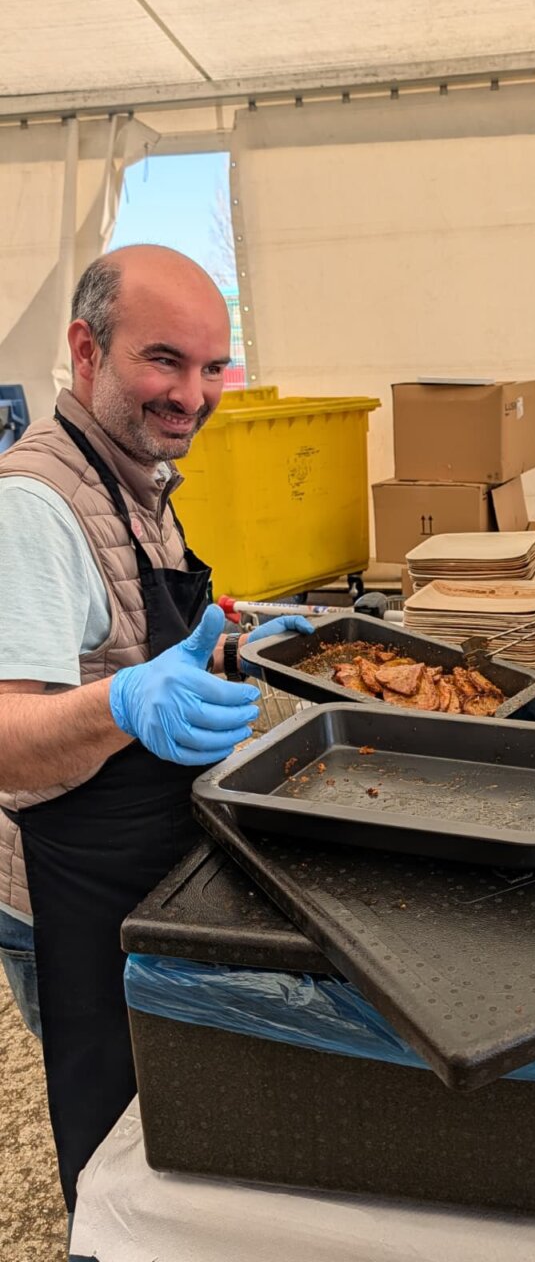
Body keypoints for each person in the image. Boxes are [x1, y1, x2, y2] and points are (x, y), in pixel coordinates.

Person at [0, 245, 312, 1212]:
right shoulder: (31, 507)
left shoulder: (130, 471)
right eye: (164, 360)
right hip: (66, 888)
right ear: (86, 350)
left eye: (213, 366)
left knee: (176, 1119)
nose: (194, 394)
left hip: (143, 866)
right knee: (118, 1152)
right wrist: (126, 703)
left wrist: (245, 637)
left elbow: (130, 628)